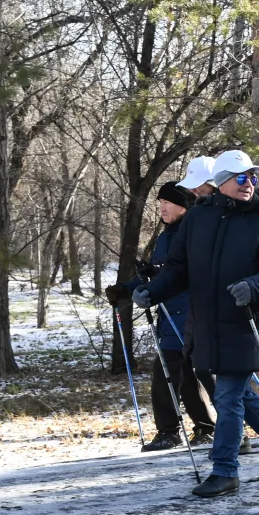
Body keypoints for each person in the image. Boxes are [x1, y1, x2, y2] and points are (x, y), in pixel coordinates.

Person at [136, 149, 259, 495]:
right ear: (222, 182)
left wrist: (253, 286)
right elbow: (179, 269)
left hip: (245, 321)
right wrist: (154, 291)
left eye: (253, 177)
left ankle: (225, 470)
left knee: (226, 397)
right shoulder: (198, 220)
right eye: (242, 177)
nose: (249, 183)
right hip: (205, 322)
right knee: (239, 395)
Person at [106, 182, 216, 450]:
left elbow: (181, 274)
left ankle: (171, 431)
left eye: (168, 203)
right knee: (185, 371)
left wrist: (155, 277)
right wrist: (125, 289)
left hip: (189, 311)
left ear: (184, 205)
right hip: (169, 313)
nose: (162, 208)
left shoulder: (193, 232)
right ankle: (205, 428)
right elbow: (160, 273)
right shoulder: (167, 236)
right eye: (160, 203)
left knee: (168, 368)